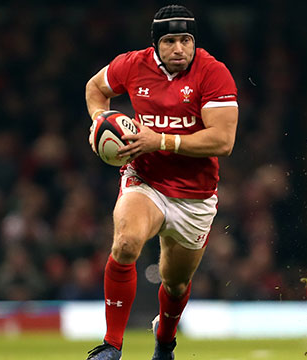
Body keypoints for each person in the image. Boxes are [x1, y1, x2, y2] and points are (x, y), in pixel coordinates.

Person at [84, 5, 238, 360]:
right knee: (125, 244)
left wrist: (161, 140)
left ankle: (164, 340)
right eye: (170, 41)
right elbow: (95, 87)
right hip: (146, 179)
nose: (180, 49)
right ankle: (112, 345)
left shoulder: (213, 73)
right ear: (156, 45)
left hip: (195, 196)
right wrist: (100, 121)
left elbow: (223, 140)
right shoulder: (131, 64)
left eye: (186, 40)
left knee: (175, 281)